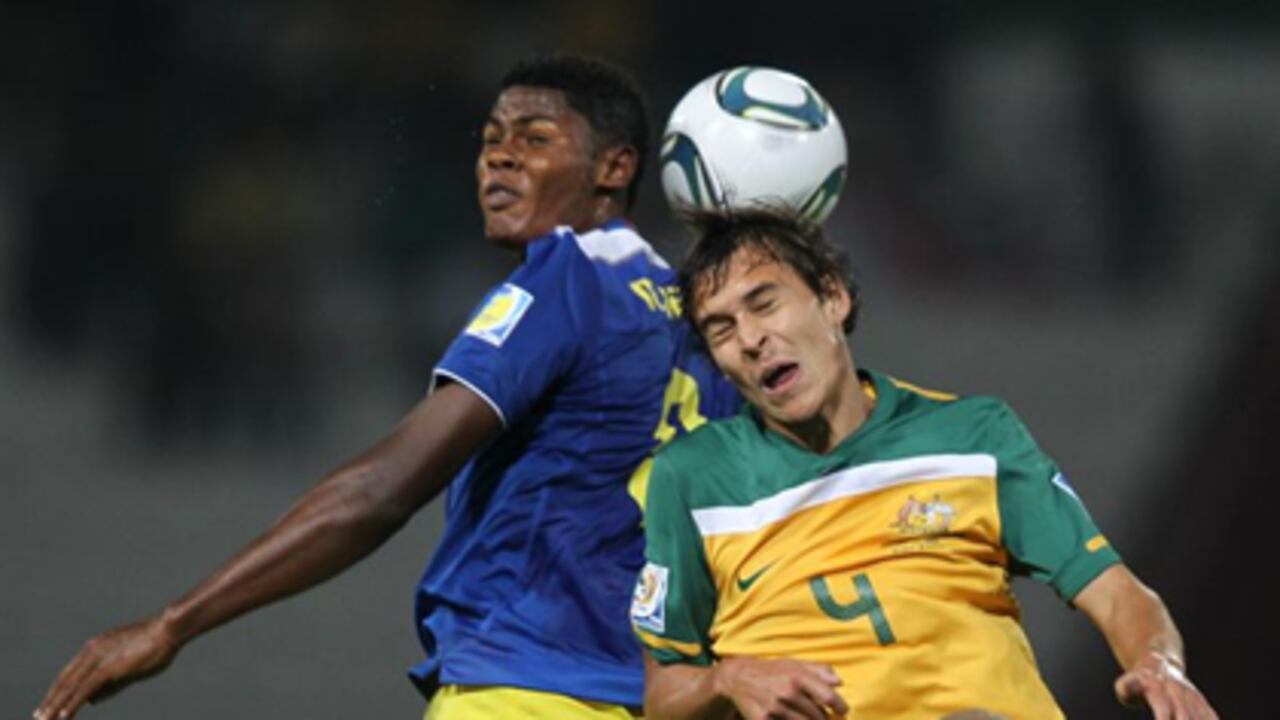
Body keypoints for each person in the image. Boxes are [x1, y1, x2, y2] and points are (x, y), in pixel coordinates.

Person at [35, 53, 738, 720]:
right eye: (491, 138)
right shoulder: (700, 326)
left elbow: (383, 490)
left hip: (525, 690)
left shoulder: (567, 279)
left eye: (536, 138)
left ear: (615, 167)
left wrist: (172, 625)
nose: (499, 155)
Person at [632, 209, 1218, 720]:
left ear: (833, 297)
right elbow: (666, 697)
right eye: (722, 329)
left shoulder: (972, 436)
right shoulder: (693, 475)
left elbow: (1117, 595)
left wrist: (1159, 665)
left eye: (765, 304)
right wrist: (727, 679)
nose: (752, 338)